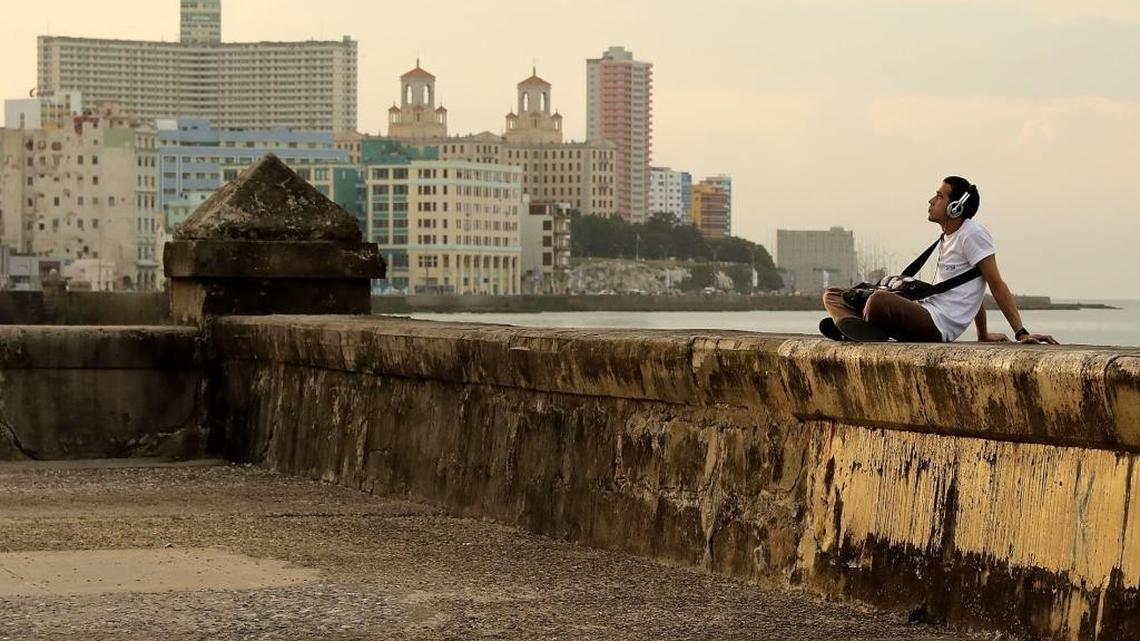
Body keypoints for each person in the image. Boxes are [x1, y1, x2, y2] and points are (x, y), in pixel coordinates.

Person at [821, 176, 1058, 344]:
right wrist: (982, 334)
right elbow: (969, 289)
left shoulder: (972, 234)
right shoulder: (948, 237)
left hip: (937, 325)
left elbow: (994, 283)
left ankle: (859, 327)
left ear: (955, 207)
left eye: (939, 196)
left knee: (878, 301)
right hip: (926, 310)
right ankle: (858, 328)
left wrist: (1021, 332)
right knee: (833, 294)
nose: (931, 201)